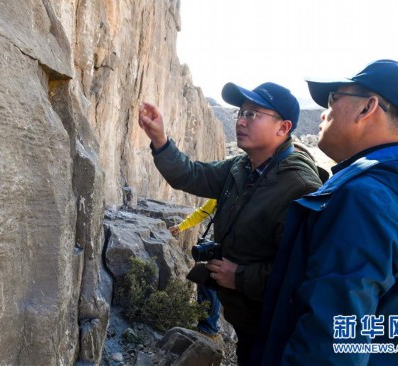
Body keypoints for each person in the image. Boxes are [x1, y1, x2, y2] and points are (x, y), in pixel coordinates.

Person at [257, 59, 398, 365]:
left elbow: (332, 345)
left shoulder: (365, 200)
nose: (324, 112)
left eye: (334, 98)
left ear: (367, 108)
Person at [138, 82, 322, 365]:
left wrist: (241, 276)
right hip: (245, 319)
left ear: (283, 128)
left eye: (253, 114)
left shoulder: (298, 187)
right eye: (241, 112)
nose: (241, 121)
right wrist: (161, 141)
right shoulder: (242, 167)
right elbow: (191, 175)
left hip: (275, 326)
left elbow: (305, 273)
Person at [169, 198, 221, 337]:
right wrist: (180, 226)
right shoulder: (226, 189)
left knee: (212, 285)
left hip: (237, 251)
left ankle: (208, 328)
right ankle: (206, 325)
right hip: (220, 247)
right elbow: (202, 212)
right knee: (207, 283)